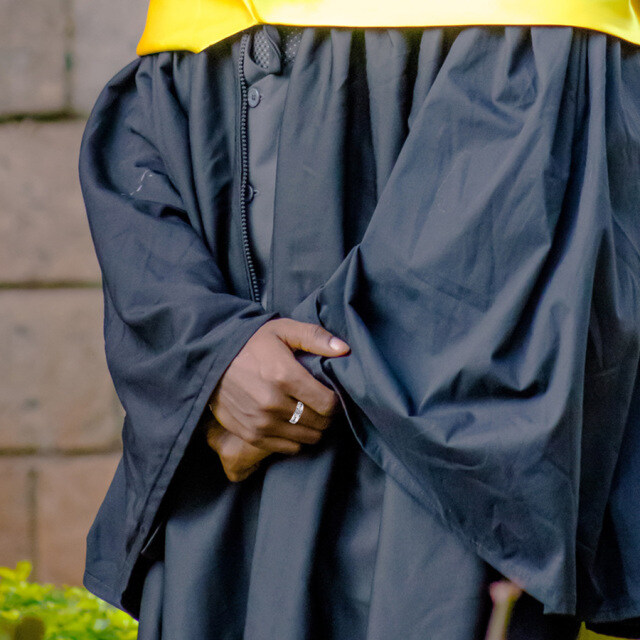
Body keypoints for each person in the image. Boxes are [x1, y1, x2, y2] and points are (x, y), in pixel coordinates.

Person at [79, 2, 640, 638]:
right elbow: (144, 146)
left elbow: (498, 237)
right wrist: (210, 352)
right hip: (227, 435)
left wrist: (289, 383)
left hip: (432, 456)